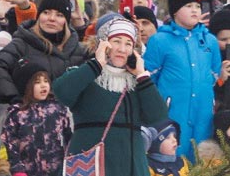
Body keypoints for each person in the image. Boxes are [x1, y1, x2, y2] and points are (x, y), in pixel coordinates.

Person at [53, 15, 165, 176]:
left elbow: (157, 115)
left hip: (131, 167)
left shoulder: (137, 83)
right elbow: (61, 92)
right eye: (117, 41)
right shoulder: (87, 74)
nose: (122, 49)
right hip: (90, 166)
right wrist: (97, 64)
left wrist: (142, 75)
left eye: (128, 44)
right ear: (104, 43)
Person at [141, 0, 214, 162]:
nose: (195, 10)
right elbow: (148, 78)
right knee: (172, 158)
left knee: (202, 159)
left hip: (203, 114)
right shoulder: (160, 40)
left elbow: (215, 75)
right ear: (175, 11)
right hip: (172, 114)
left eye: (197, 6)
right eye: (188, 6)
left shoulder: (209, 41)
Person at [0, 0, 85, 112]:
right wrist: (16, 100)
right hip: (31, 119)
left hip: (69, 118)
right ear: (39, 16)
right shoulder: (22, 43)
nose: (52, 18)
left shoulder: (78, 49)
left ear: (66, 21)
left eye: (59, 15)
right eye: (46, 12)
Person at [0, 63, 67, 176]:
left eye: (46, 81)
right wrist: (17, 170)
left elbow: (67, 136)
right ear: (26, 86)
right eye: (37, 82)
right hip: (29, 171)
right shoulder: (17, 114)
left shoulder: (57, 108)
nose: (43, 85)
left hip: (57, 170)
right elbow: (10, 144)